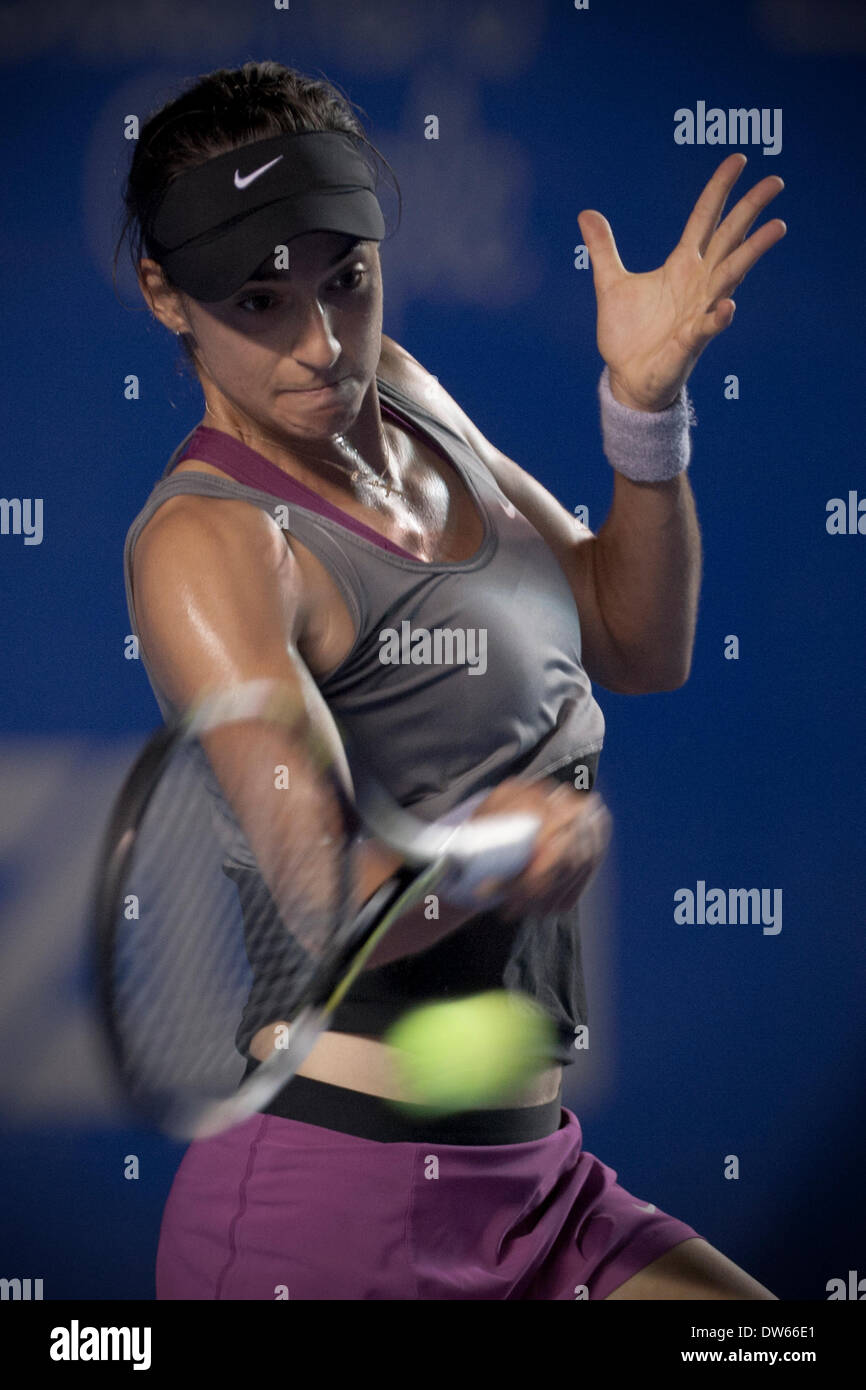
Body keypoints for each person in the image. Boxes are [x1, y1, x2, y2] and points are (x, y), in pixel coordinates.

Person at [116, 60, 785, 1300]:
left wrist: (643, 413)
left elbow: (635, 640)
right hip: (324, 1205)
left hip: (536, 1177)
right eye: (260, 301)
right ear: (166, 295)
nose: (322, 346)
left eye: (346, 282)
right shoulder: (207, 543)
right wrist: (493, 855)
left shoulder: (409, 396)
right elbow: (323, 902)